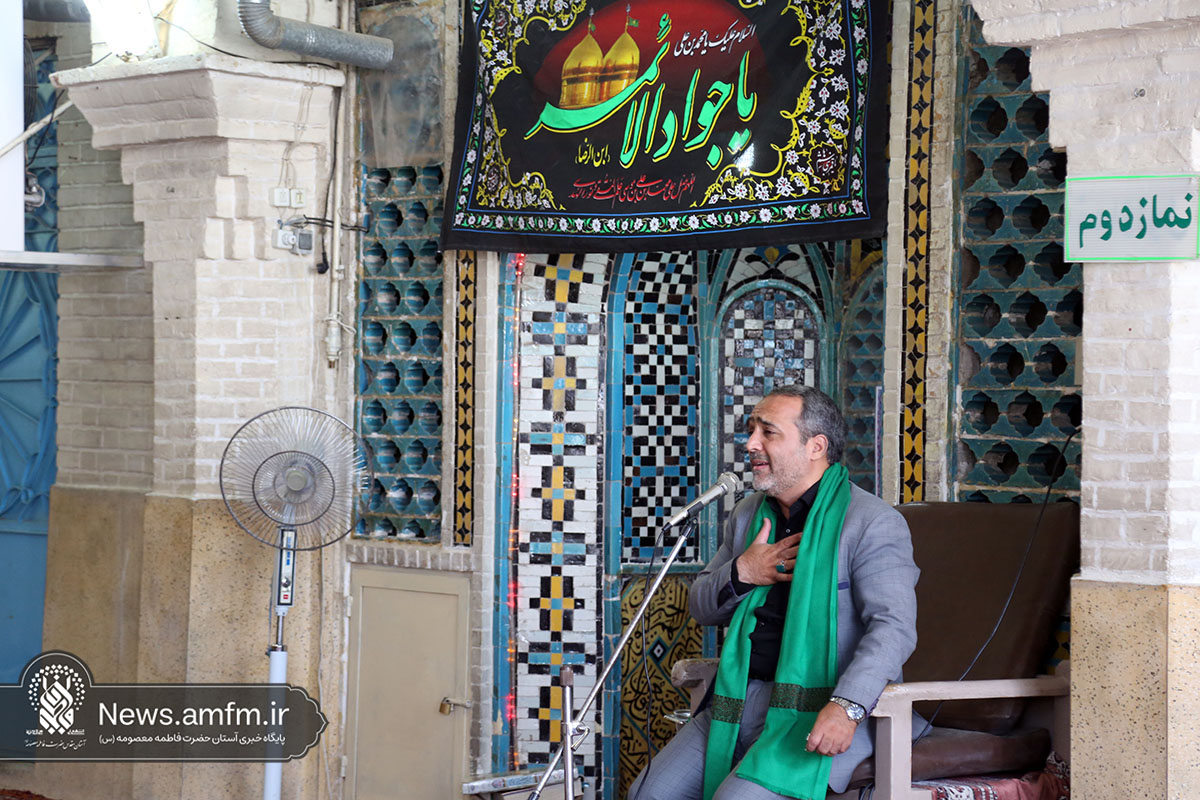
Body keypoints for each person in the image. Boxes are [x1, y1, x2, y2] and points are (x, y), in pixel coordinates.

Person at [630, 385, 920, 800]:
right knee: (647, 795)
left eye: (768, 432)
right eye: (752, 430)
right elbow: (701, 607)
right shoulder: (748, 514)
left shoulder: (871, 522)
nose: (751, 444)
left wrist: (847, 706)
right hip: (733, 702)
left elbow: (893, 629)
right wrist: (743, 572)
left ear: (816, 446)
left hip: (817, 711)